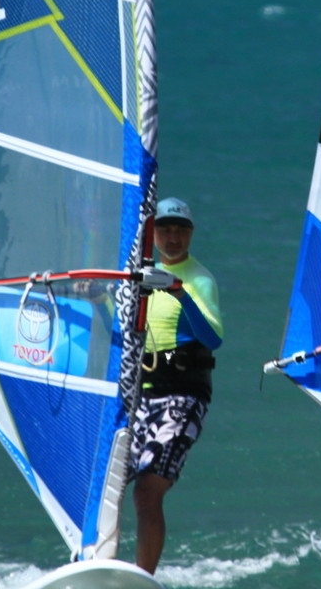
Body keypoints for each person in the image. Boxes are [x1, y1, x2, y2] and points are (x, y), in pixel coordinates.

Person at [129, 197, 223, 574]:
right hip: (140, 395)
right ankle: (97, 565)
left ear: (191, 234)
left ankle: (143, 579)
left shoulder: (199, 279)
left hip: (183, 396)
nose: (172, 237)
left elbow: (213, 338)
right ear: (152, 234)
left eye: (180, 231)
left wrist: (178, 291)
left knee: (148, 490)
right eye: (165, 230)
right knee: (109, 483)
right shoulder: (138, 276)